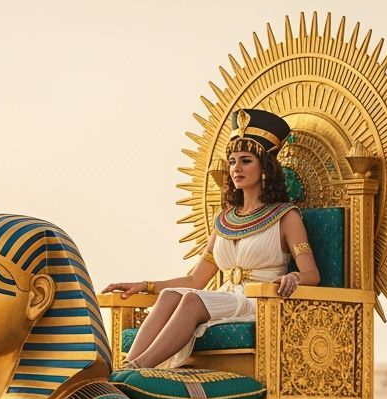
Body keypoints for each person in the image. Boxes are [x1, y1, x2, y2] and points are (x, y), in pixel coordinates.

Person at [104, 108, 321, 368]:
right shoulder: (225, 219)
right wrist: (145, 285)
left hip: (258, 300)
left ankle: (138, 368)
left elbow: (311, 274)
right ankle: (125, 368)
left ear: (265, 167)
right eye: (232, 161)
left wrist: (294, 277)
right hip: (225, 297)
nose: (236, 168)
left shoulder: (285, 216)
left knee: (192, 300)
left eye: (245, 160)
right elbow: (196, 280)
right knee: (171, 295)